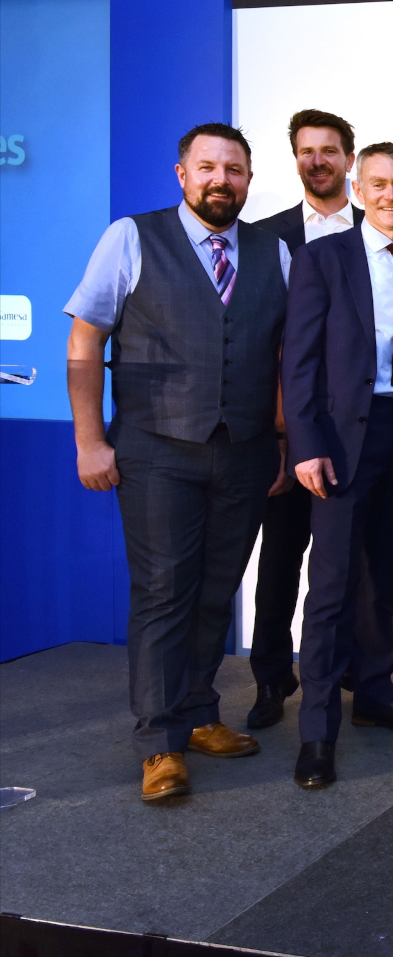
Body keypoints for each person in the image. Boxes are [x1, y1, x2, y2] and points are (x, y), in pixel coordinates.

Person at [64, 123, 288, 801]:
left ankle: (197, 713)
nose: (222, 180)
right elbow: (84, 340)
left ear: (249, 179)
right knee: (164, 592)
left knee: (216, 591)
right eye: (208, 167)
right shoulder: (131, 238)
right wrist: (89, 440)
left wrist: (281, 443)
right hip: (155, 450)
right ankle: (159, 742)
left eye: (234, 169)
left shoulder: (273, 251)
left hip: (244, 453)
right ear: (182, 174)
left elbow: (280, 355)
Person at [282, 142, 393, 789]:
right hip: (341, 442)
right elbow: (298, 361)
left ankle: (373, 691)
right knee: (331, 587)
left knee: (385, 577)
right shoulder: (323, 258)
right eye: (378, 183)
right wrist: (306, 444)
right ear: (357, 188)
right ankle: (317, 731)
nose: (391, 195)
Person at [245, 108, 365, 730]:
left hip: (357, 432)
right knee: (280, 561)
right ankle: (271, 678)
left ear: (350, 159)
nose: (317, 161)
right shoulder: (263, 239)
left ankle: (348, 670)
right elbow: (262, 342)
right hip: (288, 431)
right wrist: (279, 433)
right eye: (306, 151)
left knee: (350, 565)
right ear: (295, 159)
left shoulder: (381, 231)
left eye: (329, 150)